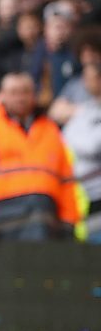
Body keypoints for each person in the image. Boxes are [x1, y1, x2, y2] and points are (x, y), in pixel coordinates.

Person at [0, 72, 80, 240]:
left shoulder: (50, 130)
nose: (20, 98)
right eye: (13, 92)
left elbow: (66, 181)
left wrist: (68, 222)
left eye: (25, 91)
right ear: (2, 95)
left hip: (46, 226)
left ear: (34, 95)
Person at [61, 62, 101, 242]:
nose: (84, 83)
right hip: (85, 195)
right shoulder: (87, 109)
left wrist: (76, 140)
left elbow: (93, 145)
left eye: (89, 78)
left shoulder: (81, 113)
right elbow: (64, 138)